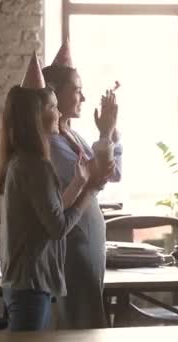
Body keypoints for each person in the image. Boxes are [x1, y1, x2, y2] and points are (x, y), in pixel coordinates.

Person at [0, 53, 106, 331]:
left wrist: (80, 184)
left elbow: (50, 210)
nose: (59, 114)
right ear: (39, 115)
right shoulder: (36, 166)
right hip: (32, 281)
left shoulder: (22, 160)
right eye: (54, 107)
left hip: (28, 281)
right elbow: (57, 227)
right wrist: (89, 192)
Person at [42, 41, 122, 329]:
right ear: (54, 92)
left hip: (90, 243)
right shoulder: (50, 142)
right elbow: (95, 176)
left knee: (89, 317)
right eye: (77, 90)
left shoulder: (72, 137)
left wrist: (110, 134)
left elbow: (111, 174)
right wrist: (105, 134)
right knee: (81, 322)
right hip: (75, 243)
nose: (83, 98)